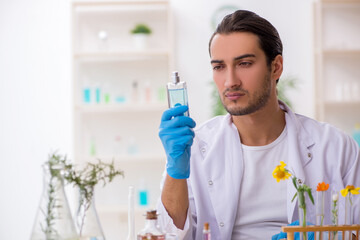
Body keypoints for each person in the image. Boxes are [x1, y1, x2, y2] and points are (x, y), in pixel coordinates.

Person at [157, 9, 360, 240]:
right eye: (219, 67)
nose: (230, 81)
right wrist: (175, 170)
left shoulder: (335, 147)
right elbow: (167, 235)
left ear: (276, 67)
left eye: (244, 63)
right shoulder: (192, 149)